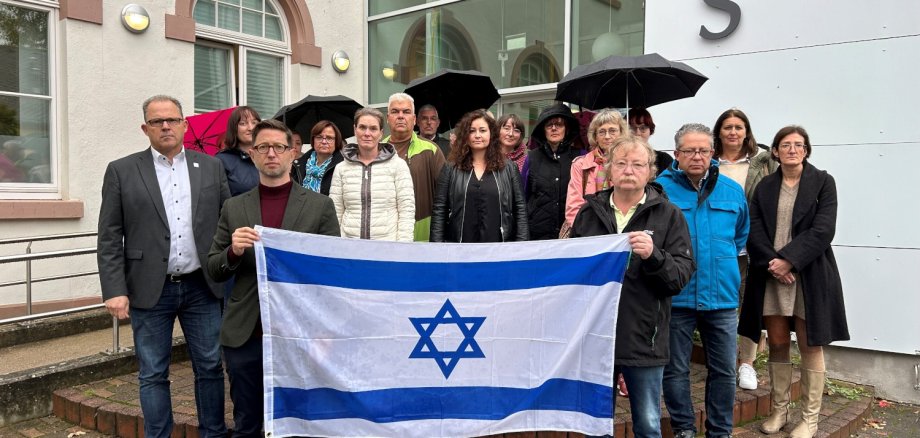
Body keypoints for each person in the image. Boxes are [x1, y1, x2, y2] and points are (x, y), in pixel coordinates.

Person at [97, 95, 230, 438]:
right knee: (153, 372)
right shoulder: (122, 170)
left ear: (185, 124)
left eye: (172, 120)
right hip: (148, 288)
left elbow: (226, 222)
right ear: (145, 128)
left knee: (211, 367)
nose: (166, 126)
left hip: (202, 286)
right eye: (157, 122)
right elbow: (110, 236)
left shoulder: (211, 166)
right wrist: (114, 290)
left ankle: (213, 433)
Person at [208, 119, 340, 438]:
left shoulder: (319, 206)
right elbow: (213, 267)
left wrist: (325, 333)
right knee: (248, 422)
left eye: (278, 147)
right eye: (263, 147)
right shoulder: (234, 207)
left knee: (298, 423)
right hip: (247, 332)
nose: (271, 154)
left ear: (293, 152)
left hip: (300, 333)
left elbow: (332, 273)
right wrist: (233, 252)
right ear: (252, 153)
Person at [570, 136, 695, 438]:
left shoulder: (669, 215)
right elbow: (572, 275)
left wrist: (654, 255)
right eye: (621, 163)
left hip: (644, 337)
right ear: (609, 170)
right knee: (595, 424)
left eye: (638, 164)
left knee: (649, 424)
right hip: (597, 336)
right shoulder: (589, 214)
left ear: (650, 172)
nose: (629, 170)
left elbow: (679, 276)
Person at [739, 125, 849, 438]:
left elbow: (823, 230)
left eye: (798, 145)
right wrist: (774, 264)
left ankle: (810, 420)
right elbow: (755, 228)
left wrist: (790, 260)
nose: (792, 149)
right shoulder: (765, 187)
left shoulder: (823, 182)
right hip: (772, 274)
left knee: (809, 343)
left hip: (809, 274)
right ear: (775, 151)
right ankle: (779, 411)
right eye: (785, 145)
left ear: (806, 150)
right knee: (776, 342)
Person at [658, 124, 750, 438]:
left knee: (724, 370)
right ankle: (684, 428)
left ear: (713, 153)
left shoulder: (732, 191)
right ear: (676, 154)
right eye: (690, 151)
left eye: (704, 150)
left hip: (721, 295)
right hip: (677, 294)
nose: (697, 156)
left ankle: (719, 431)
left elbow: (740, 236)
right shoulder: (660, 190)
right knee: (675, 370)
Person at [711, 107, 780, 390]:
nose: (733, 132)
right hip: (718, 245)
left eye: (739, 127)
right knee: (724, 305)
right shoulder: (708, 161)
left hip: (753, 245)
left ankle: (747, 364)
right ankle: (725, 360)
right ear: (719, 132)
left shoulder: (762, 164)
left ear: (747, 132)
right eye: (727, 127)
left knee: (749, 305)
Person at [430, 109, 528, 242]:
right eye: (472, 131)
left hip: (499, 247)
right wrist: (437, 247)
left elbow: (520, 209)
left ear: (491, 134)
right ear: (465, 135)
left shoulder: (509, 168)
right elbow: (439, 209)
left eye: (482, 130)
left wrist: (521, 246)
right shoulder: (451, 168)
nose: (477, 135)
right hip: (460, 246)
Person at [330, 107, 415, 241]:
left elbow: (406, 211)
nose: (367, 133)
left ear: (381, 133)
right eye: (362, 127)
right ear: (355, 130)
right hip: (350, 248)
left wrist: (402, 248)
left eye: (373, 128)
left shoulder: (398, 166)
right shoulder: (341, 168)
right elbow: (335, 212)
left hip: (386, 248)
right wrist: (338, 245)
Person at [382, 93, 447, 241]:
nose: (400, 116)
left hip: (423, 237)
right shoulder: (378, 151)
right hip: (386, 236)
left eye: (406, 112)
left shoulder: (431, 150)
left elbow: (446, 196)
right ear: (387, 118)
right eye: (395, 111)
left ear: (414, 119)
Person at [521, 103, 583, 240]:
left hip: (571, 234)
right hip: (538, 235)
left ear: (566, 129)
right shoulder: (532, 158)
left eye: (559, 124)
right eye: (549, 125)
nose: (554, 128)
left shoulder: (580, 157)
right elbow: (522, 197)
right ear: (543, 130)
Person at [563, 108, 627, 233]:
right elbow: (573, 207)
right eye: (602, 132)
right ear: (595, 137)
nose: (607, 136)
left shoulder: (629, 162)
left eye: (612, 131)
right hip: (588, 231)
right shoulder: (580, 164)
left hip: (621, 232)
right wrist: (588, 233)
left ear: (621, 134)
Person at [291, 120, 345, 195]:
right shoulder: (298, 164)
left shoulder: (343, 165)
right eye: (319, 137)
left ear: (337, 141)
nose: (324, 141)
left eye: (329, 138)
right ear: (313, 140)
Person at [216, 106, 261, 196]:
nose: (250, 128)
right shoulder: (222, 160)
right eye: (243, 123)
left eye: (254, 122)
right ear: (234, 129)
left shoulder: (269, 155)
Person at [628, 108, 674, 176]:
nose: (637, 133)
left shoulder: (663, 159)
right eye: (632, 128)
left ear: (650, 130)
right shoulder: (617, 159)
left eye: (643, 128)